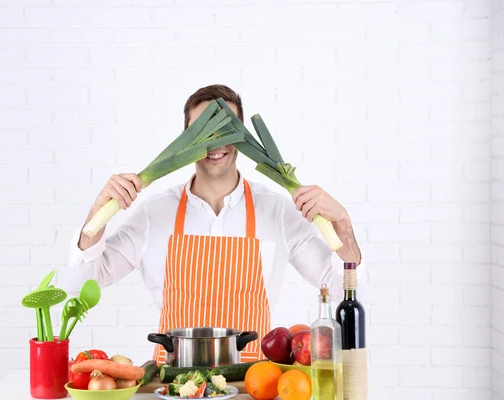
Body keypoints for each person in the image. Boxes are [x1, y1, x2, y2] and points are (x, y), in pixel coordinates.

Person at [59, 84, 362, 364]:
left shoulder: (278, 211)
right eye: (203, 130)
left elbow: (342, 287)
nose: (216, 142)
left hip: (253, 385)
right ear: (185, 139)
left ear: (242, 136)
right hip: (174, 386)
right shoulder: (154, 214)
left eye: (226, 128)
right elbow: (79, 283)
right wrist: (97, 214)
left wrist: (344, 228)